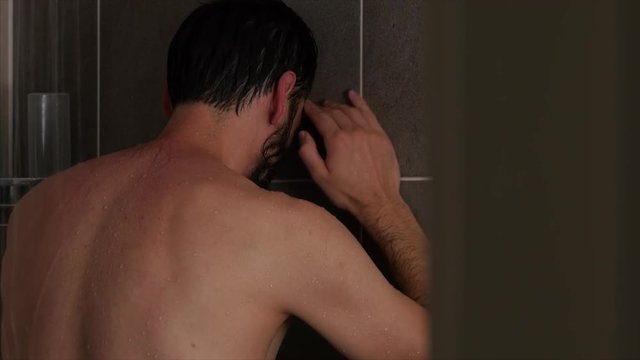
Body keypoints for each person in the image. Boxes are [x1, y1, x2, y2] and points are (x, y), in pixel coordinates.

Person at [1, 0, 430, 359]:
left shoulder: (32, 213)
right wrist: (381, 204)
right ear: (283, 97)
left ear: (169, 96)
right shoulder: (277, 231)